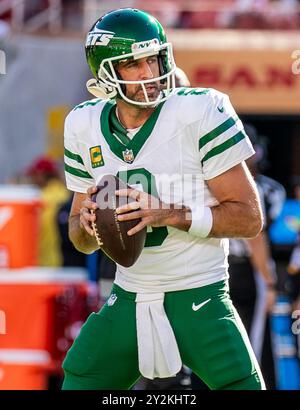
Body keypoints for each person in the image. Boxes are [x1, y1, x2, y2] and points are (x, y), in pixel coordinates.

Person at [62, 8, 265, 390]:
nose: (148, 72)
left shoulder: (198, 110)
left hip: (199, 293)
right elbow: (80, 239)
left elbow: (249, 218)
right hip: (129, 293)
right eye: (133, 64)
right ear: (106, 72)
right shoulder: (83, 124)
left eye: (152, 58)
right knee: (80, 378)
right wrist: (88, 224)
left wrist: (168, 214)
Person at [26, 156, 69, 266]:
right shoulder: (62, 192)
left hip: (48, 260)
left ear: (42, 174)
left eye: (34, 175)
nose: (32, 179)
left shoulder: (43, 198)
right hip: (57, 258)